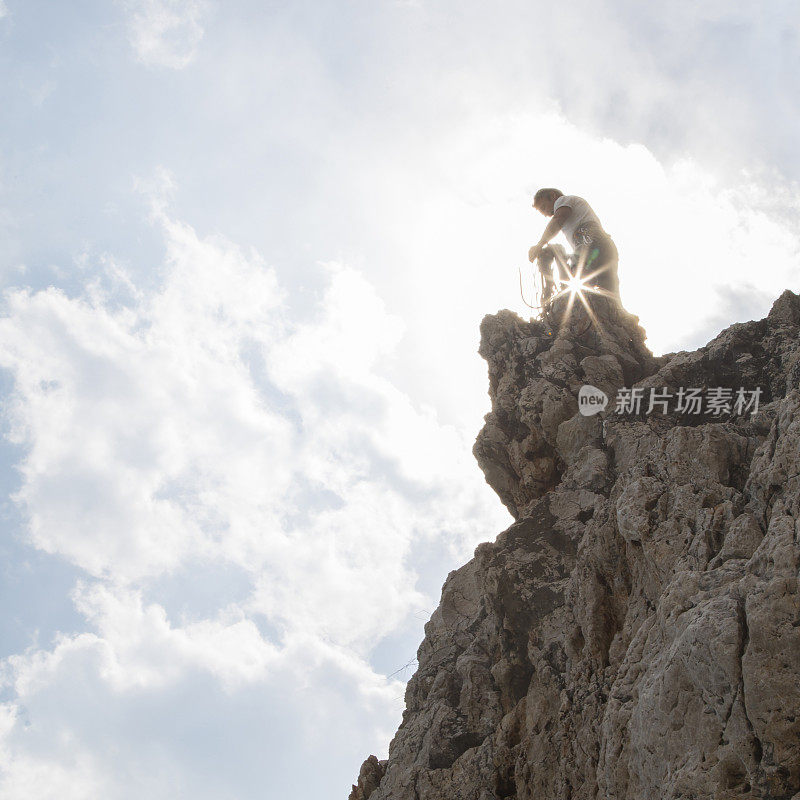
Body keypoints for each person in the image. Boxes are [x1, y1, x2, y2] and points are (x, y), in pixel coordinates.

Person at [527, 188, 620, 301]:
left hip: (587, 235)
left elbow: (557, 220)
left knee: (579, 274)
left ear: (552, 196)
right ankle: (618, 313)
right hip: (606, 245)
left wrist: (539, 245)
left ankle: (577, 307)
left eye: (543, 207)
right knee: (608, 290)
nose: (546, 215)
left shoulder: (562, 201)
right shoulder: (577, 209)